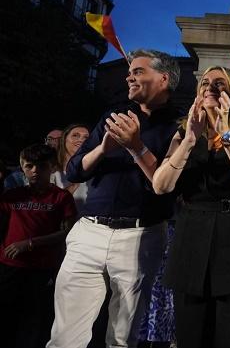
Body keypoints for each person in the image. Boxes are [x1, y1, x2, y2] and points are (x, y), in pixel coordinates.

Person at [47, 49, 181, 348]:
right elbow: (73, 169)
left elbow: (167, 187)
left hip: (140, 236)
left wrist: (135, 146)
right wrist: (102, 149)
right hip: (89, 232)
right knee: (65, 336)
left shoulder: (180, 127)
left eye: (137, 71)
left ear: (163, 78)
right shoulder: (113, 116)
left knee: (123, 337)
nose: (128, 76)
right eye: (129, 71)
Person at [152, 66, 230, 348]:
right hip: (193, 238)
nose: (211, 87)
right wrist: (189, 142)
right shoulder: (184, 132)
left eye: (220, 82)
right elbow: (161, 185)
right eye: (205, 82)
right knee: (192, 331)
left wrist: (226, 133)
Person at [0, 144, 76, 348]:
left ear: (51, 167)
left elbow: (68, 232)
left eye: (41, 166)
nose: (35, 171)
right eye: (29, 166)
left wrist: (31, 243)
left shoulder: (62, 197)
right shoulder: (12, 195)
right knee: (7, 317)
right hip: (10, 265)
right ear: (22, 167)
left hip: (42, 267)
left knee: (35, 320)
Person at [53, 124, 90, 210]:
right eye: (75, 135)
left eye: (86, 138)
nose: (81, 140)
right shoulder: (51, 172)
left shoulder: (95, 172)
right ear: (64, 139)